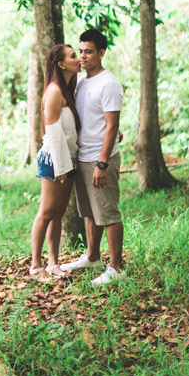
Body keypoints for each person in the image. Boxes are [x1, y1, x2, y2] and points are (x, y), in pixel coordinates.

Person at [61, 29, 125, 285]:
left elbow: (111, 126)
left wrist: (102, 163)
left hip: (100, 159)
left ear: (101, 53)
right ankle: (92, 256)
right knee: (89, 212)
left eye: (89, 51)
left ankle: (117, 268)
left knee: (108, 213)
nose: (83, 56)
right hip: (83, 157)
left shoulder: (109, 83)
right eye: (81, 51)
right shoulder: (82, 81)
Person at [29, 44, 81, 280]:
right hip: (54, 159)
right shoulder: (53, 92)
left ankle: (53, 262)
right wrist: (61, 168)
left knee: (58, 213)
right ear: (61, 64)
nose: (78, 58)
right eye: (73, 56)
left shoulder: (67, 88)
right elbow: (53, 133)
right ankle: (35, 265)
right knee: (46, 212)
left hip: (67, 159)